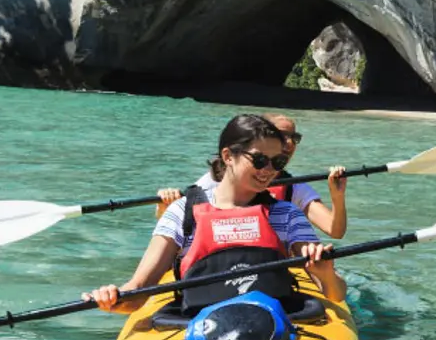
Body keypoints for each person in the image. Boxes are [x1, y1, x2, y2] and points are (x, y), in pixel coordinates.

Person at [87, 114, 346, 314]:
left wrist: (325, 275)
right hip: (200, 325)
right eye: (258, 160)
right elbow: (139, 292)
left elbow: (335, 294)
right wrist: (113, 297)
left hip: (272, 323)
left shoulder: (286, 214)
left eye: (276, 162)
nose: (268, 170)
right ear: (228, 155)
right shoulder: (182, 212)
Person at [157, 113, 348, 238]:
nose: (289, 143)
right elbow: (180, 226)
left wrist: (337, 197)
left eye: (294, 138)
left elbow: (335, 230)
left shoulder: (294, 188)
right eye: (281, 135)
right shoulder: (212, 183)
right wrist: (164, 207)